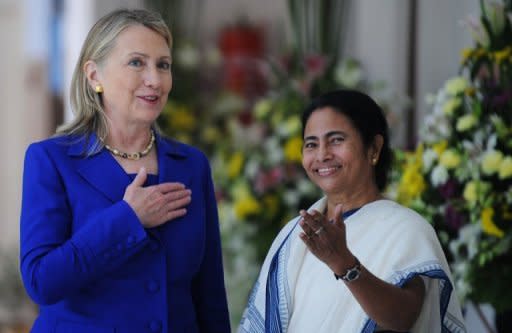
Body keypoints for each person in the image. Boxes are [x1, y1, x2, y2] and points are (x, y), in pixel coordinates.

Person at [20, 9, 230, 333]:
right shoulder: (50, 160)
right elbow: (41, 281)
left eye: (163, 65)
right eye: (137, 62)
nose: (155, 80)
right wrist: (127, 219)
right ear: (94, 76)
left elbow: (210, 295)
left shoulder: (192, 165)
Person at [238, 90, 466, 333]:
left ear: (374, 148)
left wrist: (344, 264)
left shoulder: (406, 229)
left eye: (336, 140)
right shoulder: (295, 234)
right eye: (311, 144)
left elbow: (404, 317)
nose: (322, 155)